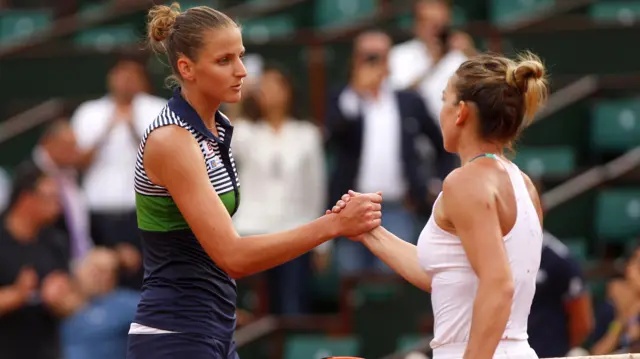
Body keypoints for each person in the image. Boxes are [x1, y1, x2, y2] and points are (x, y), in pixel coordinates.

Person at [126, 3, 383, 359]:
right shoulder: (172, 140)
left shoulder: (218, 129)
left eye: (241, 56)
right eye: (224, 60)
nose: (242, 71)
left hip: (213, 326)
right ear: (186, 68)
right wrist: (334, 225)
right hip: (176, 333)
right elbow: (233, 256)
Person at [329, 52, 550, 359]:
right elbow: (448, 276)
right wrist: (370, 231)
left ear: (460, 112)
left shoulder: (464, 182)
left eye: (444, 99)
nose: (440, 110)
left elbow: (499, 285)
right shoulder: (523, 184)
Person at [232, 64, 328, 315]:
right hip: (251, 231)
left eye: (276, 85)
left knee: (292, 307)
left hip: (295, 233)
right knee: (253, 310)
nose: (269, 92)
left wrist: (322, 244)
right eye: (264, 86)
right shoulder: (243, 132)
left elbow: (315, 190)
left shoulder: (307, 133)